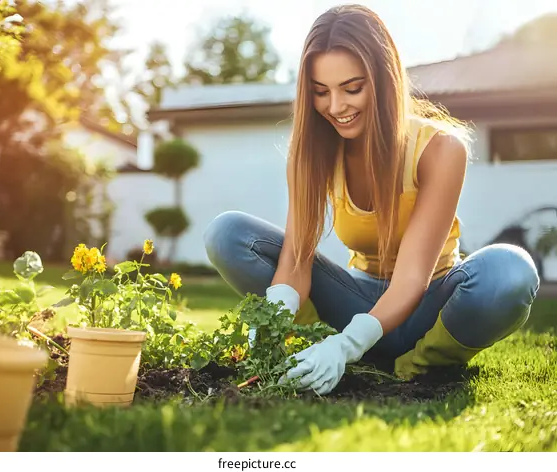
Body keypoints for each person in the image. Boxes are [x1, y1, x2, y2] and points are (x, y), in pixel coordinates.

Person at [203, 4, 540, 395]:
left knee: (509, 272)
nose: (335, 107)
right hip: (356, 300)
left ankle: (414, 366)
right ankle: (315, 349)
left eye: (352, 88)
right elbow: (296, 259)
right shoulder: (311, 150)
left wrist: (345, 345)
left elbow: (412, 279)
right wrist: (269, 329)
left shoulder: (440, 149)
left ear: (384, 80)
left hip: (430, 305)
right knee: (227, 234)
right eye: (320, 92)